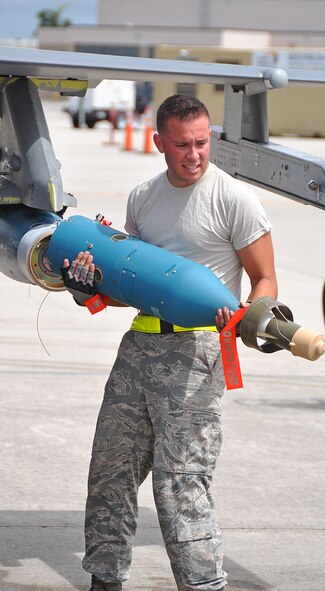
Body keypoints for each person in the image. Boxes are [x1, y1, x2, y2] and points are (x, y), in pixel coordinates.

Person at [62, 94, 277, 591]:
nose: (195, 154)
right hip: (139, 348)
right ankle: (105, 578)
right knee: (110, 470)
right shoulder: (143, 197)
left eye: (202, 143)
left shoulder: (234, 199)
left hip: (199, 355)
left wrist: (246, 318)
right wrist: (87, 285)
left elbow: (265, 279)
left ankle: (203, 585)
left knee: (181, 483)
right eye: (182, 144)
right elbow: (131, 285)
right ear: (159, 142)